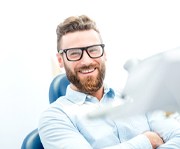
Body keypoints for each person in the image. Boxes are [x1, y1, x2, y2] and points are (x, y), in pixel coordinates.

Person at [38, 15, 180, 149]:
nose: (86, 61)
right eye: (74, 53)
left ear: (104, 54)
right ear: (60, 60)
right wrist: (146, 141)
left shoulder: (136, 98)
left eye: (93, 50)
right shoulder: (54, 117)